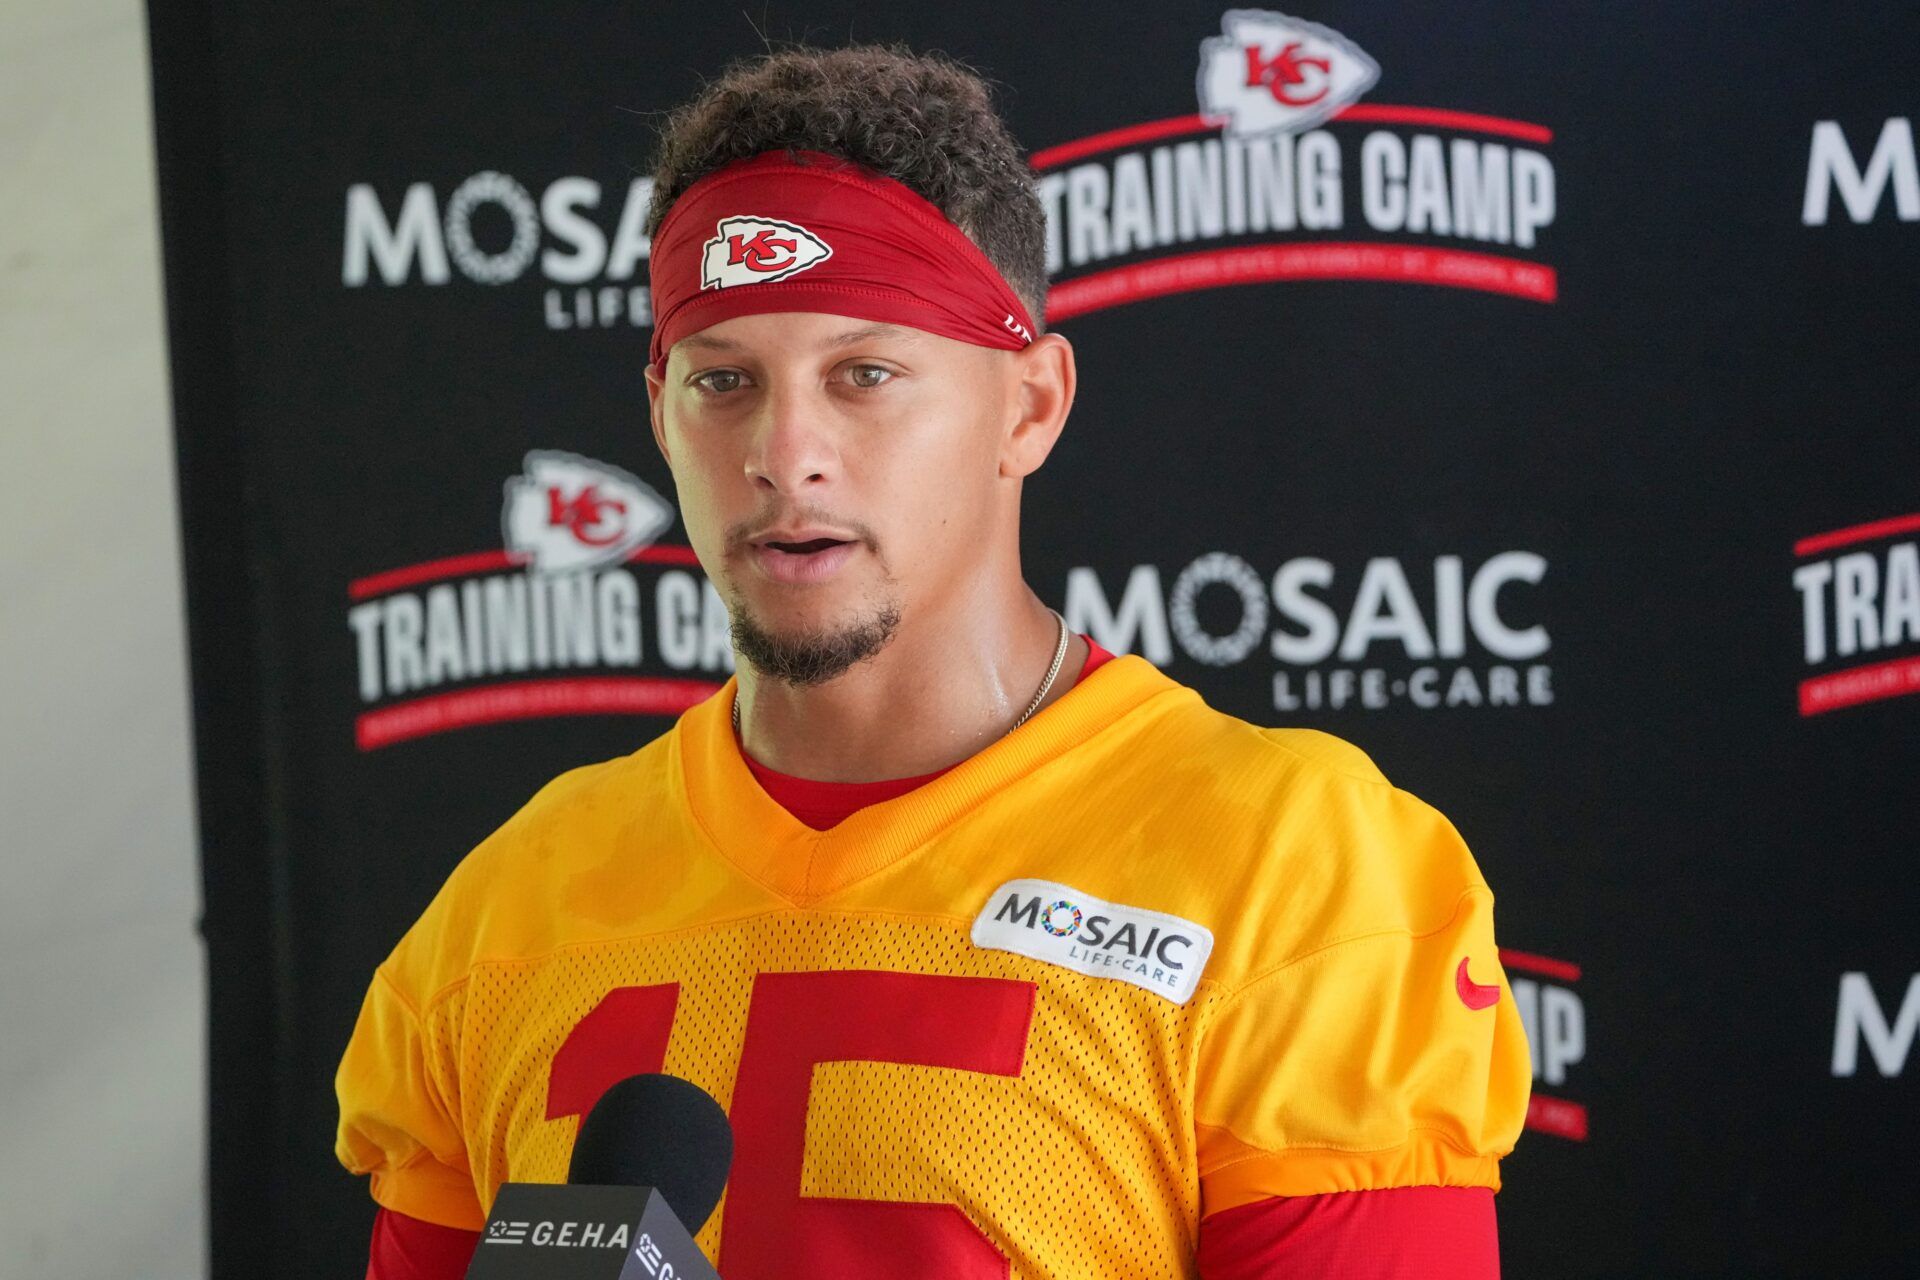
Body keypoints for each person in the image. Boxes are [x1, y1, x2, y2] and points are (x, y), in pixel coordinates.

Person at [335, 44, 1530, 1280]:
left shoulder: (1296, 872)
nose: (784, 451)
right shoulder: (499, 916)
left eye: (865, 375)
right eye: (723, 380)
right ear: (659, 412)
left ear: (1030, 406)